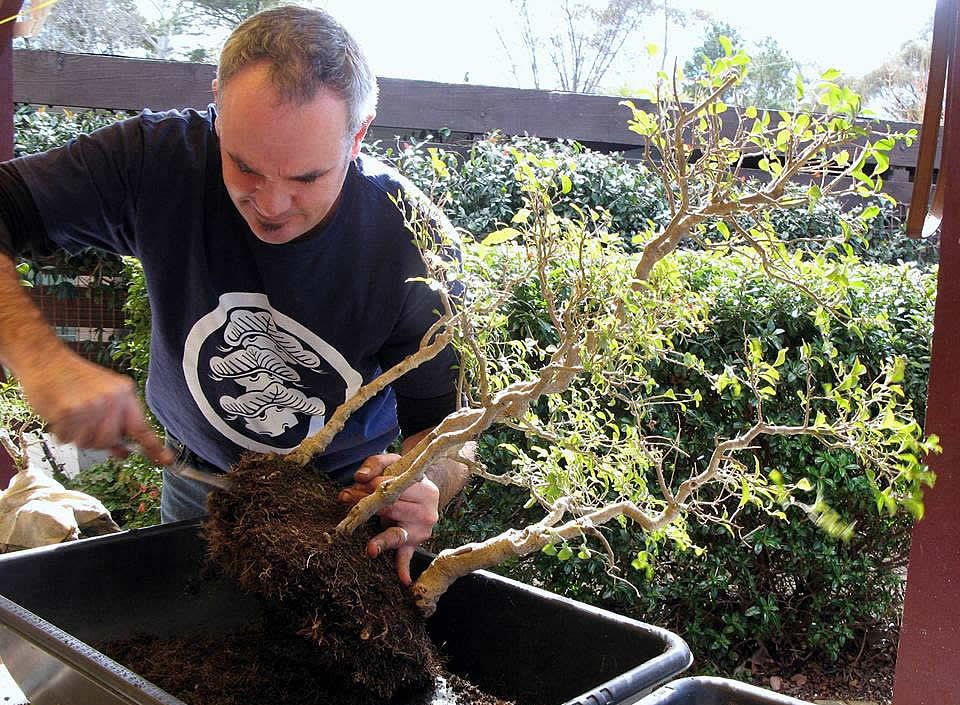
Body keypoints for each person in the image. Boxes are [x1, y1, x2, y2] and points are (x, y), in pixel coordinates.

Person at [0, 5, 468, 585]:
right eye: (244, 167)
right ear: (217, 103)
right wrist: (40, 358)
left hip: (342, 507)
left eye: (305, 178)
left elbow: (450, 425)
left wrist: (425, 483)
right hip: (197, 482)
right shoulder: (157, 162)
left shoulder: (410, 242)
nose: (270, 205)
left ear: (358, 136)